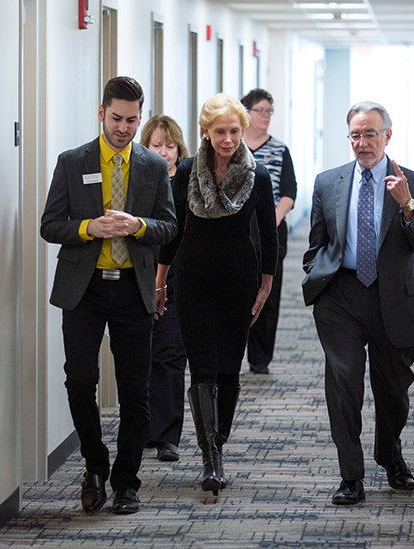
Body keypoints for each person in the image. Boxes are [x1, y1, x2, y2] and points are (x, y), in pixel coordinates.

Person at [40, 76, 177, 515]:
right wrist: (88, 229)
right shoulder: (72, 160)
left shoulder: (153, 166)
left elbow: (168, 226)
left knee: (136, 391)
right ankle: (94, 466)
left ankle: (126, 482)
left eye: (132, 120)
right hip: (85, 290)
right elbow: (49, 225)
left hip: (133, 289)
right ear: (101, 113)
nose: (124, 128)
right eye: (116, 118)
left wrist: (137, 225)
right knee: (80, 381)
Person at [302, 101, 414, 505]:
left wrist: (407, 205)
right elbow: (317, 242)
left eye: (370, 134)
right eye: (355, 135)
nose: (362, 143)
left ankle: (390, 454)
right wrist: (316, 273)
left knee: (393, 392)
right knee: (343, 387)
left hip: (393, 299)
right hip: (341, 298)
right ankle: (351, 476)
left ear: (387, 136)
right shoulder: (328, 181)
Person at [157, 93, 278, 495]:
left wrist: (266, 286)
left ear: (243, 130)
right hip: (193, 278)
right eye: (220, 131)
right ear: (205, 133)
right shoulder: (187, 171)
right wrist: (160, 280)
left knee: (228, 368)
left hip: (239, 279)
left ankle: (218, 438)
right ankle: (212, 458)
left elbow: (268, 233)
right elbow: (172, 231)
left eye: (234, 131)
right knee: (203, 367)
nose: (228, 139)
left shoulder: (258, 175)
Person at [139, 115, 190, 462]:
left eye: (169, 146)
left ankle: (168, 436)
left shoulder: (186, 183)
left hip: (177, 279)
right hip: (139, 276)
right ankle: (143, 427)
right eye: (157, 144)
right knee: (141, 355)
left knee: (170, 355)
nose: (164, 152)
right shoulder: (136, 182)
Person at [240, 88, 297, 375]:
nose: (265, 116)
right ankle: (235, 347)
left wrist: (272, 218)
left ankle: (260, 357)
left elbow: (289, 191)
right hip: (236, 233)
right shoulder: (231, 145)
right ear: (246, 112)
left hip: (270, 231)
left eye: (269, 111)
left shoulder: (280, 150)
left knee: (267, 291)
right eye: (260, 110)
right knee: (239, 289)